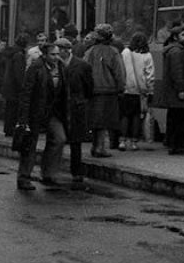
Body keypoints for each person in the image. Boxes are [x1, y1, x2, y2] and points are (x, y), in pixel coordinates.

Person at [16, 43, 69, 191]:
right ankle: (24, 176)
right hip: (36, 111)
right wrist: (23, 118)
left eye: (58, 54)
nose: (56, 57)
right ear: (44, 55)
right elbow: (26, 93)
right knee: (30, 144)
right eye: (53, 54)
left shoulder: (61, 68)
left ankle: (49, 174)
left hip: (54, 111)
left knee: (59, 138)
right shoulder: (36, 68)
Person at [56, 37, 94, 189]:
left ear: (66, 50)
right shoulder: (53, 65)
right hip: (58, 107)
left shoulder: (82, 65)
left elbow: (89, 87)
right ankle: (52, 169)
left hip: (76, 106)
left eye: (59, 51)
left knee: (75, 141)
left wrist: (81, 100)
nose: (57, 55)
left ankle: (76, 171)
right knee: (57, 139)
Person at [84, 23, 126, 158]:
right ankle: (101, 148)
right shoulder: (113, 52)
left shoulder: (90, 52)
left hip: (93, 90)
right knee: (105, 121)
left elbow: (84, 70)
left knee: (96, 121)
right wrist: (121, 87)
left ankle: (95, 146)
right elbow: (119, 73)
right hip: (109, 90)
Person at [162, 24, 184, 155]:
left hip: (173, 91)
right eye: (183, 34)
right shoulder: (177, 51)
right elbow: (177, 72)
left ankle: (174, 145)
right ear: (176, 37)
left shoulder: (172, 50)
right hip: (178, 92)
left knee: (175, 117)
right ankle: (179, 146)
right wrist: (181, 89)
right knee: (181, 119)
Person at [119, 32, 154, 151]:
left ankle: (122, 141)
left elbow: (121, 70)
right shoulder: (147, 55)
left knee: (124, 115)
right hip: (140, 92)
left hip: (126, 89)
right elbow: (150, 75)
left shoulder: (125, 53)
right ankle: (134, 143)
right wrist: (150, 91)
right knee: (136, 117)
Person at [2, 34, 29, 138]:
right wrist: (22, 85)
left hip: (8, 84)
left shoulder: (11, 53)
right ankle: (11, 129)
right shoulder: (19, 55)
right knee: (14, 108)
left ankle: (8, 128)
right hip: (14, 87)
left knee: (10, 108)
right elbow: (19, 73)